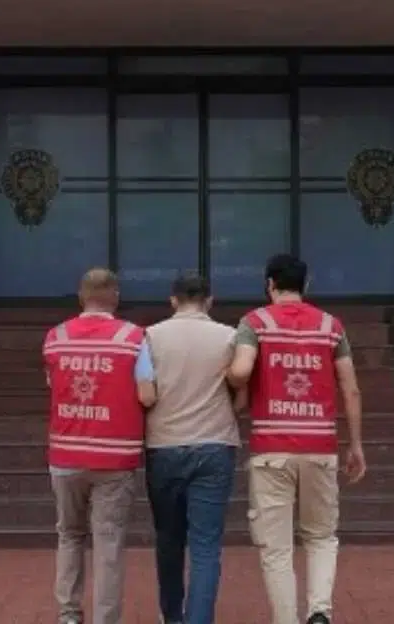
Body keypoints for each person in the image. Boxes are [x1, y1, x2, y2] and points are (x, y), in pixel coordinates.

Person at [227, 254, 366, 624]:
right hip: (320, 447)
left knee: (276, 548)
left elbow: (241, 370)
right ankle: (319, 611)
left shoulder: (255, 322)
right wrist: (355, 444)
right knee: (321, 536)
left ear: (269, 284)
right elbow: (350, 389)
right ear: (307, 284)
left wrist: (232, 377)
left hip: (271, 448)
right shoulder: (331, 326)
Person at [43, 268, 150, 624]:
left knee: (69, 535)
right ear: (115, 296)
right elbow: (147, 393)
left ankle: (69, 613)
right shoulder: (134, 338)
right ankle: (106, 618)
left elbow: (53, 383)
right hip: (114, 456)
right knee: (109, 542)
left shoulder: (55, 337)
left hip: (66, 453)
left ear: (81, 296)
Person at [137, 273, 239, 624]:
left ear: (173, 300)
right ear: (209, 300)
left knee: (168, 539)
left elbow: (145, 394)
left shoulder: (150, 337)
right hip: (215, 443)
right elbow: (241, 392)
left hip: (164, 444)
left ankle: (172, 615)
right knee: (206, 545)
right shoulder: (229, 337)